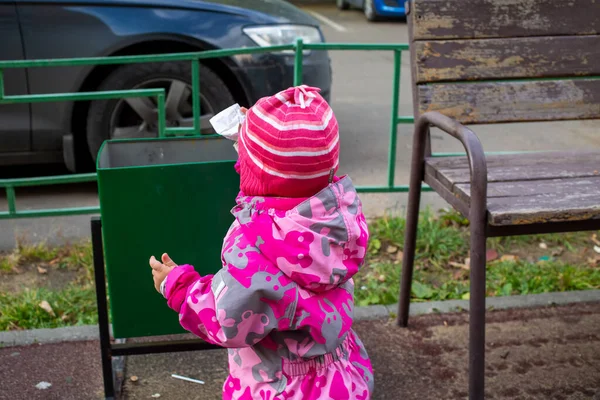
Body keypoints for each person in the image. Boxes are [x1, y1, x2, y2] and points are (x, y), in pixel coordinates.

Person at [149, 85, 374, 400]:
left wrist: (178, 287)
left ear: (253, 172)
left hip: (282, 384)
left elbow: (225, 318)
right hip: (338, 372)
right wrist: (251, 136)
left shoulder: (258, 249)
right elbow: (282, 174)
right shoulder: (337, 219)